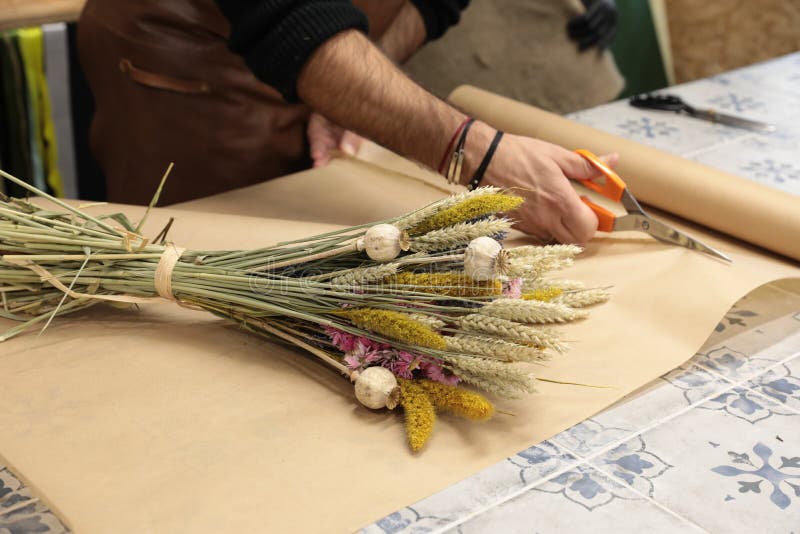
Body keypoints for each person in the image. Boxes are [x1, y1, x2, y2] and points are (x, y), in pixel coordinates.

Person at [78, 1, 618, 245]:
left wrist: (355, 82)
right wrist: (476, 151)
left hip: (321, 41)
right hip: (195, 70)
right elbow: (288, 17)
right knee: (196, 273)